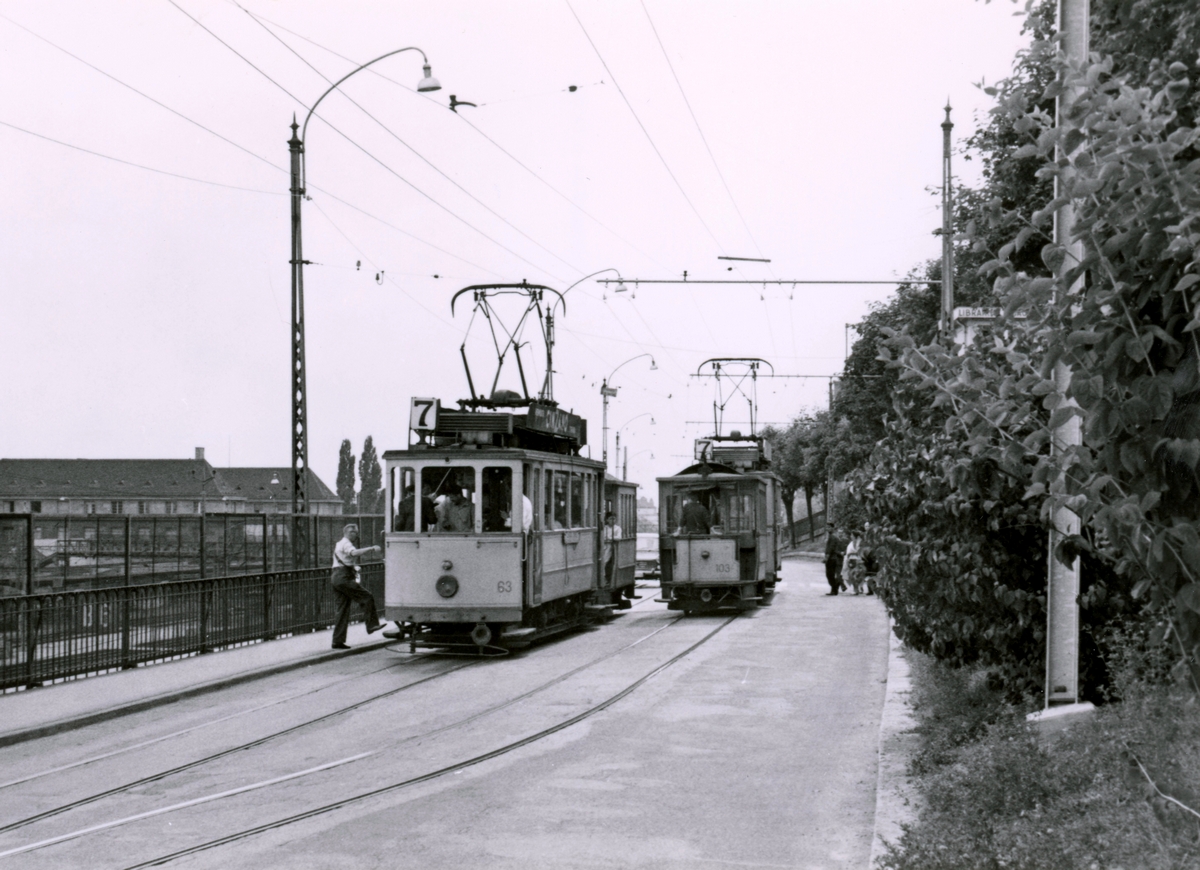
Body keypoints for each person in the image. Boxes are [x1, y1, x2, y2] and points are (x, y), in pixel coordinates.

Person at [330, 524, 387, 649]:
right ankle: (372, 625)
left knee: (342, 610)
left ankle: (337, 641)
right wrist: (371, 548)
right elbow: (353, 553)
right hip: (343, 578)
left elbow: (343, 561)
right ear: (346, 533)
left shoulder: (339, 543)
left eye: (356, 532)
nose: (355, 534)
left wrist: (354, 567)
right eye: (352, 532)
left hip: (336, 577)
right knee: (367, 596)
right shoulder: (346, 543)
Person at [823, 523, 845, 596]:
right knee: (830, 575)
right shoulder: (831, 537)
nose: (828, 529)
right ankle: (834, 590)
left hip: (832, 558)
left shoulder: (833, 537)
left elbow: (831, 548)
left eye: (829, 527)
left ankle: (835, 587)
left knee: (829, 575)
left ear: (833, 528)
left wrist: (826, 558)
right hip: (832, 558)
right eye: (827, 527)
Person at [602, 511, 622, 586]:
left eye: (614, 519)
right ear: (607, 520)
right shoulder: (604, 528)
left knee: (606, 561)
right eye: (610, 519)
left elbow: (619, 537)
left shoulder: (617, 528)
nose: (612, 521)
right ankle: (604, 578)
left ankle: (607, 579)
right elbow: (602, 537)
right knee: (603, 562)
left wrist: (610, 538)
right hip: (604, 546)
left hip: (611, 547)